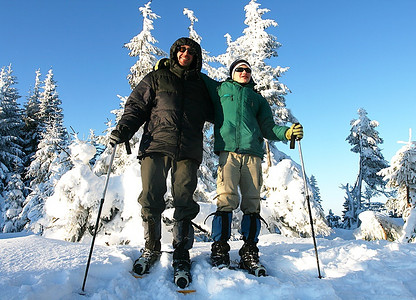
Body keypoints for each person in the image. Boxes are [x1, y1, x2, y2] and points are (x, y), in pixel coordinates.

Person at [110, 37, 213, 289]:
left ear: (196, 57)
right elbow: (136, 106)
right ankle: (151, 249)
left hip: (188, 151)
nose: (185, 53)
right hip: (156, 146)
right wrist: (124, 128)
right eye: (182, 49)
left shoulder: (201, 86)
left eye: (191, 51)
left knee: (184, 202)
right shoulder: (157, 78)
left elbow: (223, 109)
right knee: (151, 197)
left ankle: (181, 254)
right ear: (175, 52)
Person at [201, 59, 303, 276]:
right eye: (240, 69)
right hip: (228, 152)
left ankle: (250, 251)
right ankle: (220, 249)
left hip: (253, 155)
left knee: (252, 201)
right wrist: (167, 65)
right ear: (232, 72)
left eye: (248, 70)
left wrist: (287, 133)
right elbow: (195, 76)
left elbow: (268, 127)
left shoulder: (257, 99)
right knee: (225, 199)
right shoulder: (220, 89)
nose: (244, 72)